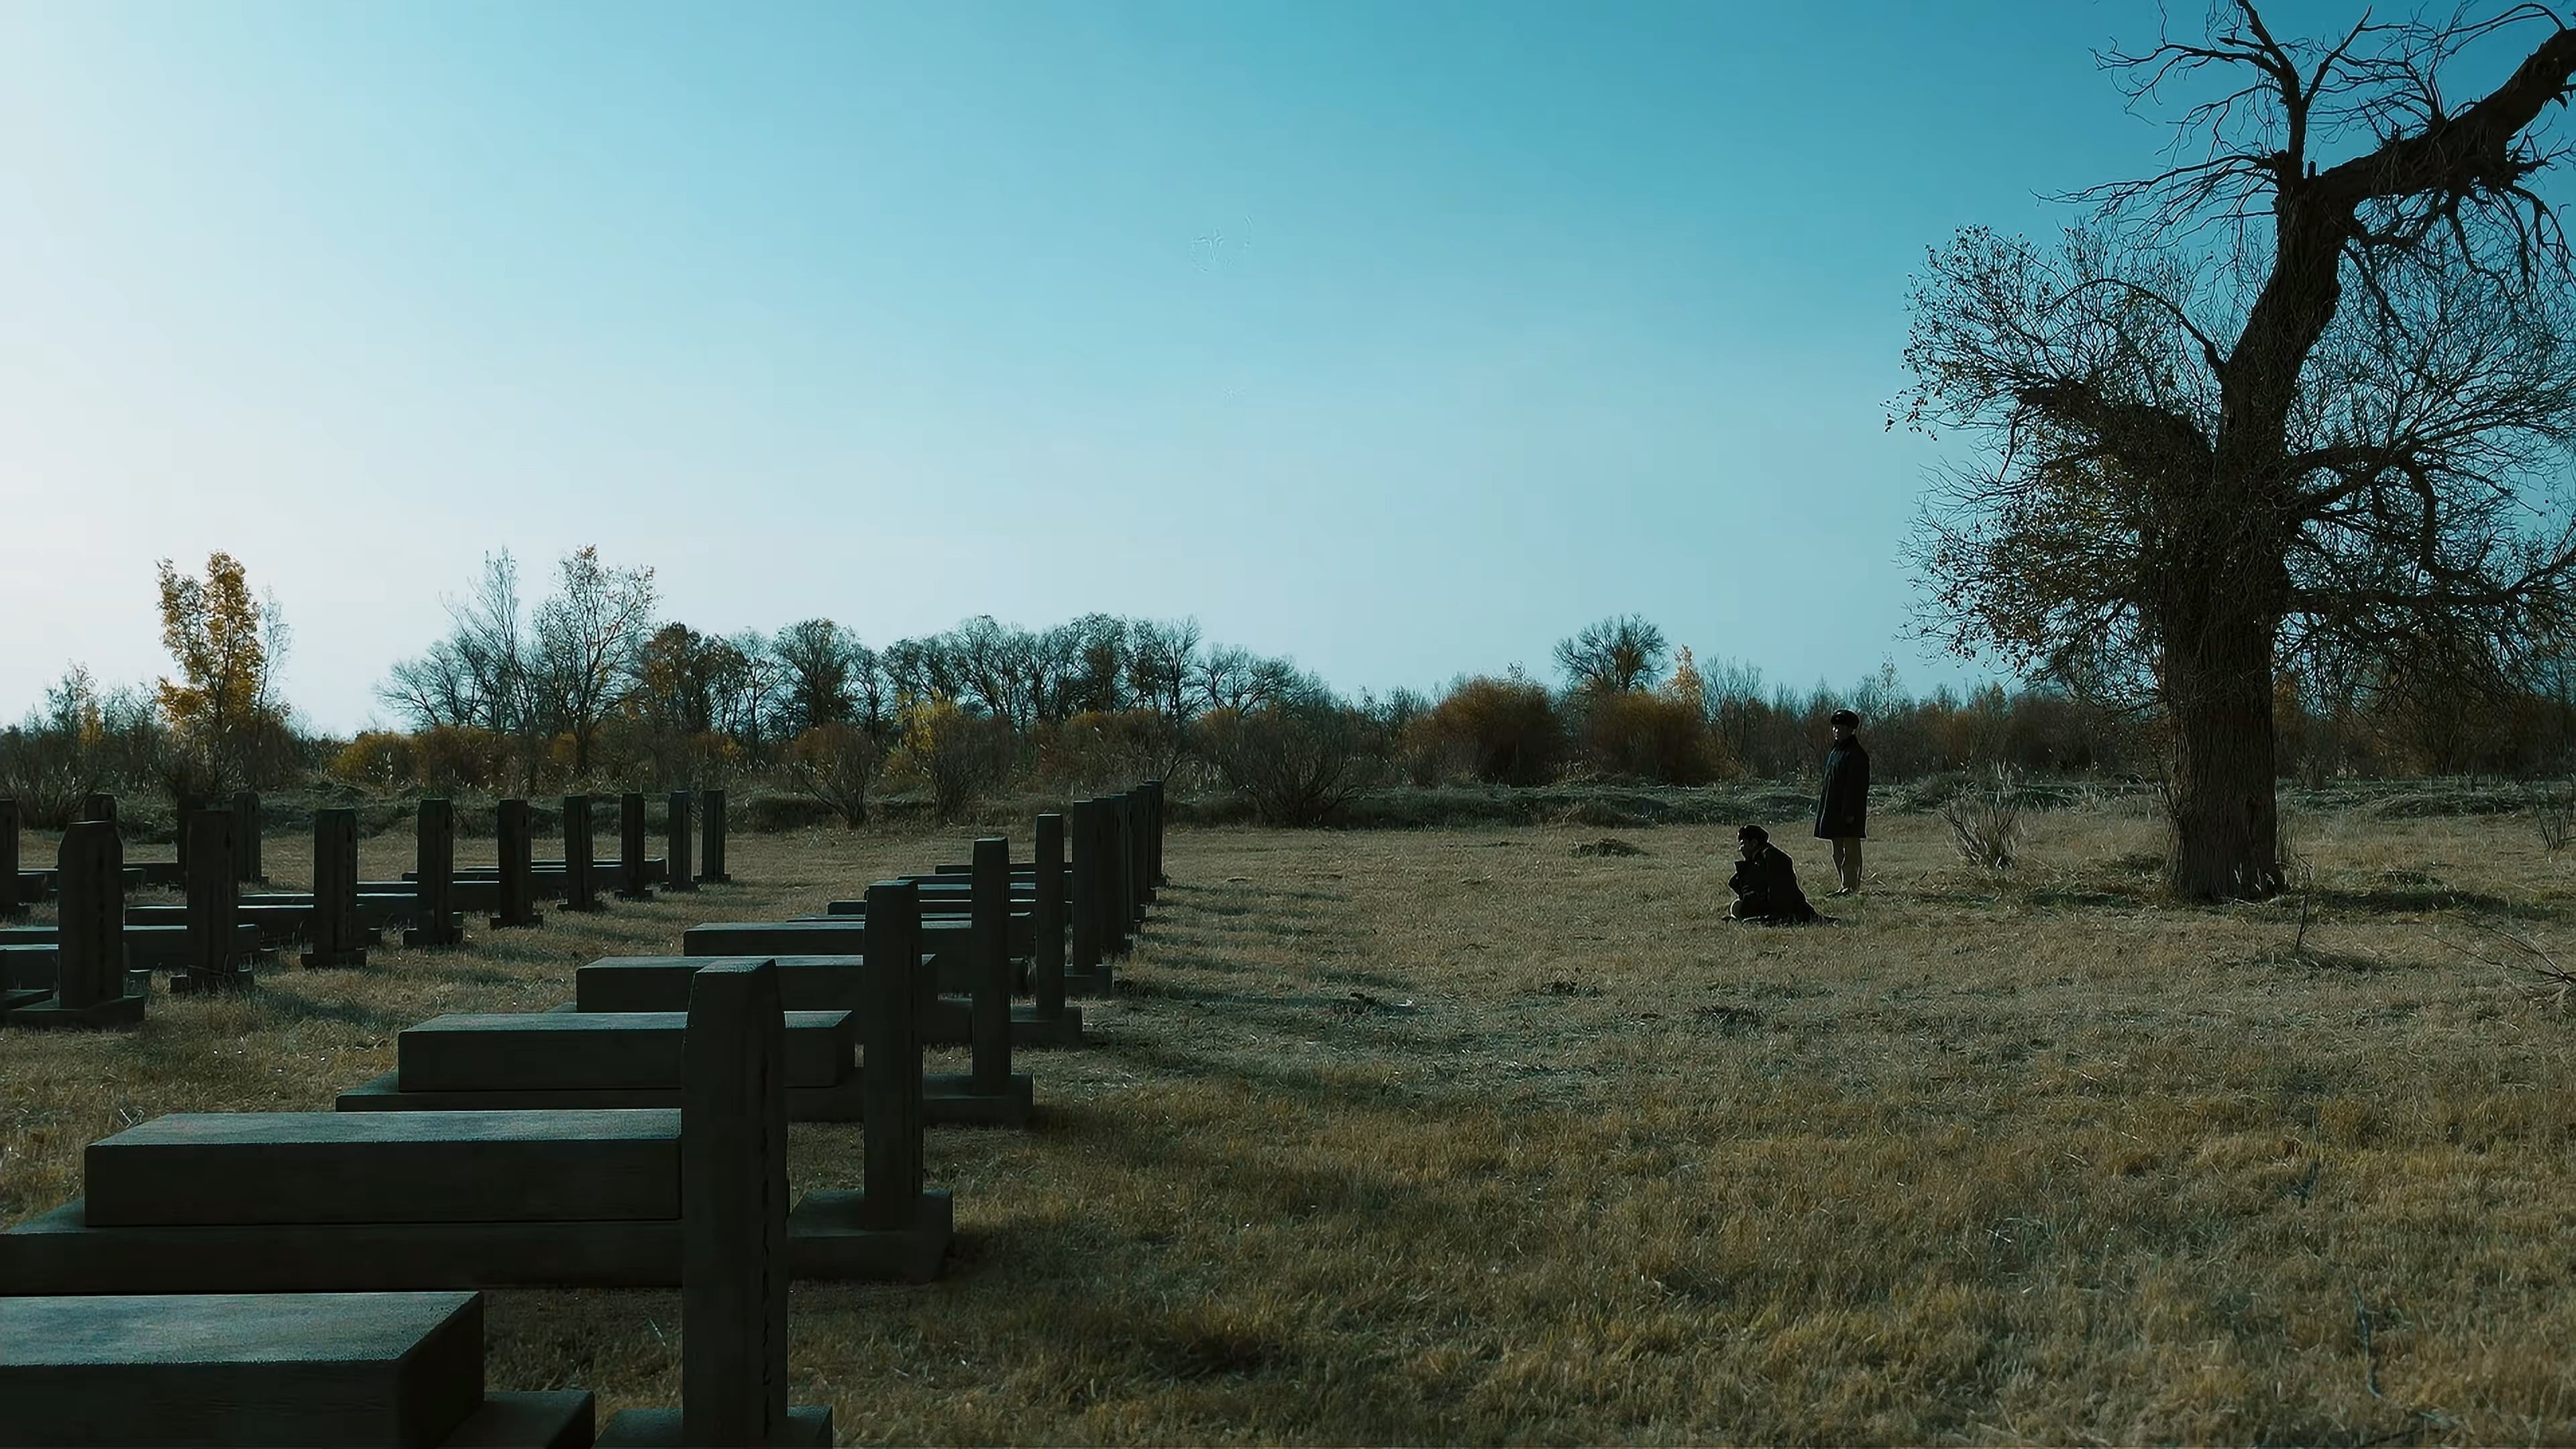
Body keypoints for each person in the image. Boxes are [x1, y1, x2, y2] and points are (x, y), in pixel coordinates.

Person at [1815, 708, 1870, 896]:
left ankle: (1851, 887)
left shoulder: (1857, 755)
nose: (1836, 731)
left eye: (1841, 728)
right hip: (1832, 809)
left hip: (1849, 812)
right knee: (1837, 851)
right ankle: (1844, 885)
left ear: (1850, 730)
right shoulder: (1835, 753)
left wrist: (1850, 812)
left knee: (1851, 850)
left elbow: (1857, 788)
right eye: (1835, 727)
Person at [1727, 824, 1817, 923]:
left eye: (1743, 844)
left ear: (1754, 843)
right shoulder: (1758, 859)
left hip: (1786, 911)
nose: (1740, 849)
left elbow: (1779, 896)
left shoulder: (1772, 856)